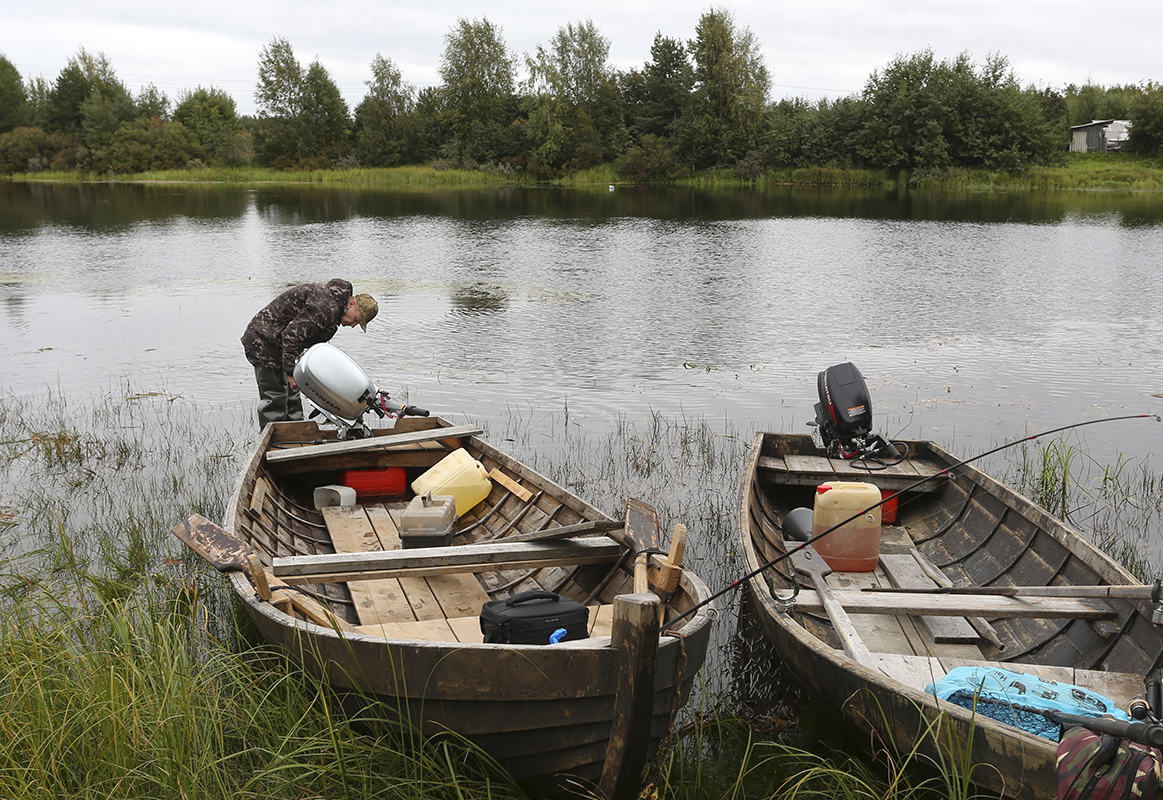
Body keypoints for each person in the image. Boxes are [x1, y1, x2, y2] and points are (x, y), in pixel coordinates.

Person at [241, 279, 378, 429]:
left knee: (293, 396)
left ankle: (297, 438)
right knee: (276, 397)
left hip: (285, 345)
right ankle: (271, 443)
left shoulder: (334, 307)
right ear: (351, 305)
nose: (353, 326)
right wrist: (291, 373)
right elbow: (291, 335)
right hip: (264, 341)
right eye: (356, 320)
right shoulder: (325, 308)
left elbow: (313, 346)